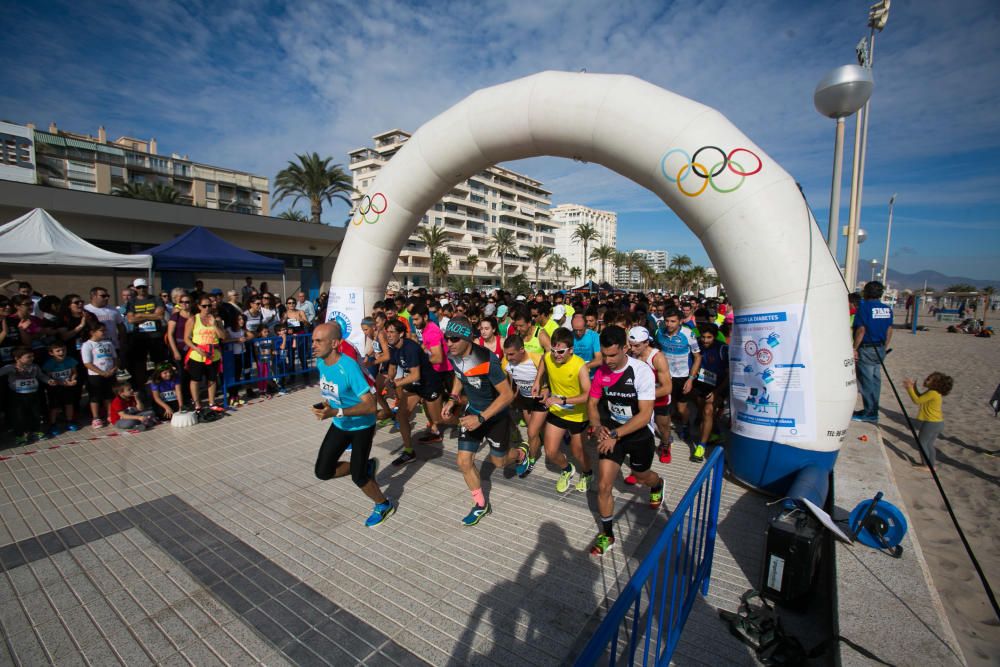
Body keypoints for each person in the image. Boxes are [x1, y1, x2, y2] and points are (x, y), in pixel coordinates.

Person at [587, 326, 664, 556]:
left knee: (642, 476)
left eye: (613, 355)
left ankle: (657, 484)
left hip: (638, 434)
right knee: (603, 486)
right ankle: (607, 535)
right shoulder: (602, 372)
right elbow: (592, 404)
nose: (608, 360)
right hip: (612, 433)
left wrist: (615, 435)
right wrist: (597, 426)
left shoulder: (641, 371)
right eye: (604, 355)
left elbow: (644, 415)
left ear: (624, 348)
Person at [440, 317, 524, 526]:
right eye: (446, 338)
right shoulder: (453, 354)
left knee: (499, 461)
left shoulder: (487, 360)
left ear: (468, 339)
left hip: (494, 417)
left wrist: (481, 418)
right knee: (463, 461)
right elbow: (460, 376)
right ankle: (480, 504)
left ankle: (521, 453)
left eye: (454, 339)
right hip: (473, 413)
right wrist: (452, 398)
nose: (449, 343)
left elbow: (506, 395)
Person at [311, 322, 396, 528]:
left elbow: (370, 406)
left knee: (359, 478)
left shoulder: (348, 367)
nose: (313, 345)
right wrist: (326, 406)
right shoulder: (321, 363)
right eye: (313, 340)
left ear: (334, 343)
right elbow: (333, 394)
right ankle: (365, 467)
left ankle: (383, 504)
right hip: (341, 424)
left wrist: (335, 411)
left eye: (318, 341)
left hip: (361, 427)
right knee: (323, 472)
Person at [532, 328, 594, 493]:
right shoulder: (548, 357)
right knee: (550, 452)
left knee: (578, 452)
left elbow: (588, 395)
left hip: (578, 416)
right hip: (558, 412)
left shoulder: (580, 366)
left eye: (561, 351)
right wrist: (538, 381)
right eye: (553, 350)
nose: (556, 354)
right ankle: (567, 469)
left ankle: (588, 473)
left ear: (571, 350)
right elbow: (543, 361)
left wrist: (563, 400)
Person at [385, 319, 444, 466]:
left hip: (429, 384)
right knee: (401, 415)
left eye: (392, 332)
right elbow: (392, 367)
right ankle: (409, 451)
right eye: (387, 332)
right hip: (414, 386)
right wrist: (389, 379)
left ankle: (467, 423)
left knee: (440, 420)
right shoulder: (394, 347)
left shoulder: (410, 348)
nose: (388, 335)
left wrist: (396, 383)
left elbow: (415, 375)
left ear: (402, 334)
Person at [625, 326, 673, 466]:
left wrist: (643, 396)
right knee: (639, 430)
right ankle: (638, 465)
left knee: (663, 427)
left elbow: (667, 388)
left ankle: (665, 445)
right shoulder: (631, 354)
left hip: (659, 398)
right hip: (640, 398)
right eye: (631, 345)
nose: (632, 349)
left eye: (636, 346)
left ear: (647, 342)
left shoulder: (657, 358)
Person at [501, 334, 546, 478]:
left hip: (540, 400)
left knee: (532, 432)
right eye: (506, 354)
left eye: (512, 354)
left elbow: (554, 377)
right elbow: (509, 382)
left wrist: (547, 390)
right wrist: (511, 396)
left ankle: (530, 460)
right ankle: (541, 440)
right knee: (536, 432)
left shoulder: (537, 359)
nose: (508, 358)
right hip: (525, 401)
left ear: (522, 349)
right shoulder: (505, 362)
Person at [655, 307, 701, 445]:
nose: (669, 324)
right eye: (667, 321)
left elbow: (698, 357)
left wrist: (691, 379)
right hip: (665, 376)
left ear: (680, 321)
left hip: (682, 376)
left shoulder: (688, 334)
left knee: (681, 409)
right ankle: (666, 433)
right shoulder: (659, 332)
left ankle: (686, 426)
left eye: (673, 321)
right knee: (666, 407)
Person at [852, 281, 894, 423]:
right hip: (880, 348)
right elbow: (889, 330)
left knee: (867, 382)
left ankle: (870, 413)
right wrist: (884, 346)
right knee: (876, 381)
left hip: (867, 349)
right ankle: (872, 410)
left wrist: (854, 348)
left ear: (866, 292)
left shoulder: (864, 308)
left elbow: (861, 330)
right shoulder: (887, 309)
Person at [690, 323, 729, 463]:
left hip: (719, 386)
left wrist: (717, 392)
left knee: (708, 411)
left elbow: (729, 374)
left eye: (709, 337)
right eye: (703, 337)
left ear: (714, 337)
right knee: (704, 412)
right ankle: (715, 432)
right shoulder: (697, 347)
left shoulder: (723, 349)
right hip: (702, 384)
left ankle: (700, 447)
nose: (705, 340)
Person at [0, 347, 55, 444]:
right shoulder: (10, 367)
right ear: (17, 358)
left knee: (36, 414)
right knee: (19, 416)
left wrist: (48, 380)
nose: (32, 358)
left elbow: (41, 376)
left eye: (32, 356)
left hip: (33, 394)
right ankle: (20, 435)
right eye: (28, 357)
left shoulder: (34, 367)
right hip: (17, 396)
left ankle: (36, 431)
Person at [184, 296, 226, 412]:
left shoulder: (216, 319)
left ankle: (212, 402)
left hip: (214, 354)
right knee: (195, 379)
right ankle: (197, 404)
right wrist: (196, 348)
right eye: (204, 306)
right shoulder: (193, 319)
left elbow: (223, 336)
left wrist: (214, 325)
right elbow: (186, 338)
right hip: (198, 354)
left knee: (212, 379)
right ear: (198, 307)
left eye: (209, 305)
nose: (207, 308)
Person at [903, 372, 953, 471]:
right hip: (938, 423)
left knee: (922, 443)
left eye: (929, 379)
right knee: (929, 444)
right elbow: (920, 397)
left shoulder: (932, 393)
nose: (926, 380)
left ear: (936, 383)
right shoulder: (933, 392)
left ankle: (926, 465)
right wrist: (914, 388)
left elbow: (917, 401)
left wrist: (909, 389)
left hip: (931, 423)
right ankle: (931, 465)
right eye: (927, 378)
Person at [125, 278, 167, 389]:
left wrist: (139, 315)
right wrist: (150, 315)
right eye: (139, 287)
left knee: (159, 362)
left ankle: (161, 384)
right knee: (139, 364)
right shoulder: (132, 301)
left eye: (144, 287)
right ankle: (141, 388)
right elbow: (130, 320)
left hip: (155, 336)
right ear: (135, 288)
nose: (142, 289)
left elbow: (160, 316)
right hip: (139, 337)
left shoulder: (156, 299)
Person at [81, 322, 117, 428]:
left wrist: (113, 369)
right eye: (101, 330)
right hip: (95, 375)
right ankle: (96, 418)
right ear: (92, 332)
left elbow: (115, 358)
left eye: (105, 330)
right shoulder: (87, 345)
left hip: (110, 373)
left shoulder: (108, 343)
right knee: (95, 397)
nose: (104, 332)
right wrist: (101, 373)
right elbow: (87, 363)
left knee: (109, 395)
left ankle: (110, 415)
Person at [41, 341, 79, 436]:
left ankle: (69, 421)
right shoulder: (49, 364)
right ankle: (53, 424)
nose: (62, 352)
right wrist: (61, 383)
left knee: (69, 404)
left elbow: (74, 372)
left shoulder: (70, 360)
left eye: (63, 350)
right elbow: (49, 378)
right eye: (58, 351)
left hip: (68, 386)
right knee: (54, 407)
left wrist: (73, 380)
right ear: (51, 353)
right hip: (55, 388)